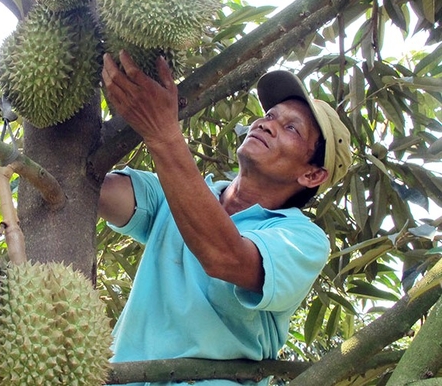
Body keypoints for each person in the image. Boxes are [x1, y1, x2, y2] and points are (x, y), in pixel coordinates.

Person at [98, 50, 352, 386]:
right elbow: (94, 190)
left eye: (291, 128)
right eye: (271, 116)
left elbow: (226, 258)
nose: (267, 124)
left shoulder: (302, 238)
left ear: (312, 175)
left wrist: (162, 133)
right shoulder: (180, 194)